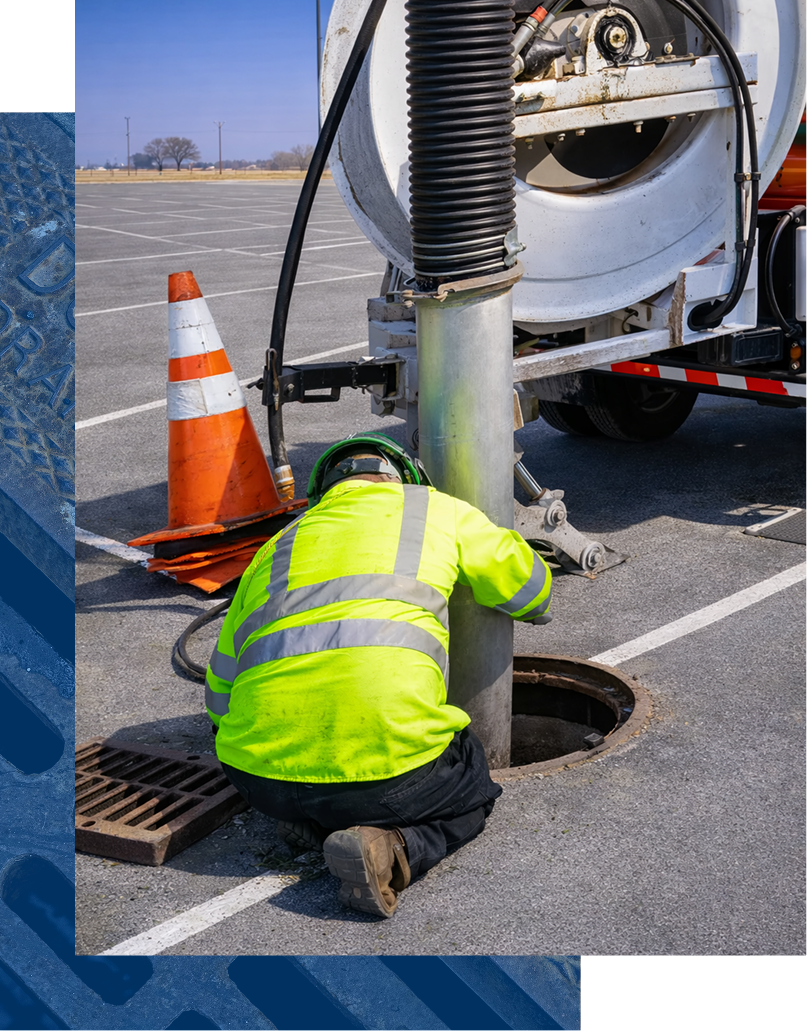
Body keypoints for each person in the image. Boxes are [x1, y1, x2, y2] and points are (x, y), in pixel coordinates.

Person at [205, 432, 552, 918]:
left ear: (323, 494)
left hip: (259, 778)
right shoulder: (436, 508)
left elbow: (219, 691)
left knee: (311, 784)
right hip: (385, 774)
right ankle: (391, 848)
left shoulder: (276, 546)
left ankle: (313, 817)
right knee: (474, 785)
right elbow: (532, 594)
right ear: (404, 477)